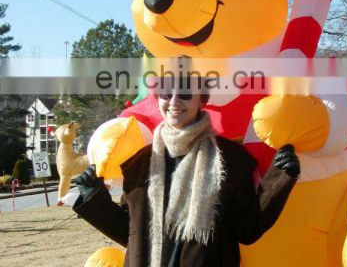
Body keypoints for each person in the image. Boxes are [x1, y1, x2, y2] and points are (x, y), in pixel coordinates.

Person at [73, 85, 300, 267]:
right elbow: (132, 233)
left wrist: (280, 176)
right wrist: (95, 197)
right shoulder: (139, 163)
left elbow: (248, 229)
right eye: (165, 93)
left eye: (184, 93)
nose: (173, 101)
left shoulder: (231, 160)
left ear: (202, 99)